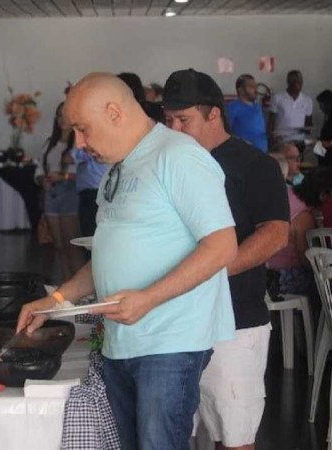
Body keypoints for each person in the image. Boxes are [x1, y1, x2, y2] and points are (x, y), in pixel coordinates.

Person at [17, 73, 238, 450]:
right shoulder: (118, 169)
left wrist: (148, 298)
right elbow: (107, 255)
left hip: (169, 342)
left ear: (115, 112)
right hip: (122, 340)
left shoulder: (178, 156)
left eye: (83, 129)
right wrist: (56, 300)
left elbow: (222, 247)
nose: (79, 143)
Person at [162, 68, 289, 450]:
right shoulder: (167, 165)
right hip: (172, 321)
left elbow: (274, 233)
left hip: (235, 320)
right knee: (171, 435)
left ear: (213, 114)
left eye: (183, 120)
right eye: (169, 121)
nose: (174, 129)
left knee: (233, 436)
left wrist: (207, 271)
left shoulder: (254, 165)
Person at [35, 102, 84, 280]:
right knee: (59, 245)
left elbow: (84, 171)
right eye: (59, 115)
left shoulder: (79, 143)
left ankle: (80, 284)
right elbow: (39, 167)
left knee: (72, 244)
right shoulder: (50, 143)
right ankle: (66, 281)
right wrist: (42, 179)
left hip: (70, 191)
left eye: (65, 115)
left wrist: (62, 176)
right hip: (51, 192)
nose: (62, 119)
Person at [267, 153, 317, 298]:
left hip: (258, 278)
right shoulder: (298, 206)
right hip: (286, 278)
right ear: (284, 173)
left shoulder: (248, 200)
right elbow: (306, 258)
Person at [269, 70, 313, 150]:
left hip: (299, 141)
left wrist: (307, 131)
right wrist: (271, 137)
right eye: (295, 81)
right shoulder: (277, 98)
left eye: (300, 81)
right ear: (288, 82)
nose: (299, 83)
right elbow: (271, 121)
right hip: (281, 141)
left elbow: (308, 122)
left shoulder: (307, 100)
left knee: (298, 158)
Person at [226, 73, 268, 152]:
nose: (255, 90)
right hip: (244, 153)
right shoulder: (232, 107)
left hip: (262, 152)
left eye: (255, 86)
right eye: (251, 87)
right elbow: (225, 132)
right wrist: (241, 141)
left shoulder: (257, 107)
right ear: (241, 90)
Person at [315, 89, 332, 166]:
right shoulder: (328, 117)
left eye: (321, 105)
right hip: (325, 157)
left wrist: (326, 143)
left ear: (328, 104)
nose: (320, 108)